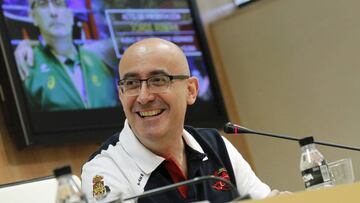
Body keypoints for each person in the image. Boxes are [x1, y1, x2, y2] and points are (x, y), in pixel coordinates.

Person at [81, 38, 288, 203]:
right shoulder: (103, 169)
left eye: (158, 81)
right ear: (121, 94)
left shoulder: (215, 144)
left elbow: (264, 199)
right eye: (132, 83)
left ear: (191, 90)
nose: (143, 97)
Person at [18, 0, 118, 111]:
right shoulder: (28, 69)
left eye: (59, 3)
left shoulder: (99, 58)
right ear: (33, 16)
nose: (53, 12)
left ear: (71, 14)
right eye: (43, 5)